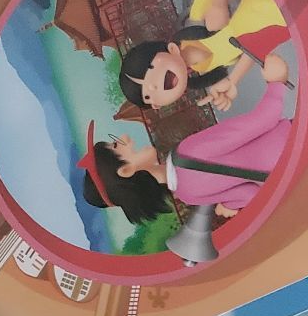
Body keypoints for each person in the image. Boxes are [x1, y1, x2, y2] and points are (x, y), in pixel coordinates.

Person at [79, 53, 294, 227]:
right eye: (117, 145)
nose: (125, 138)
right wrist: (277, 83)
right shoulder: (188, 151)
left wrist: (230, 205)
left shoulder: (188, 195)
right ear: (126, 170)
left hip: (293, 176)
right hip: (293, 140)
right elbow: (259, 123)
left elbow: (250, 193)